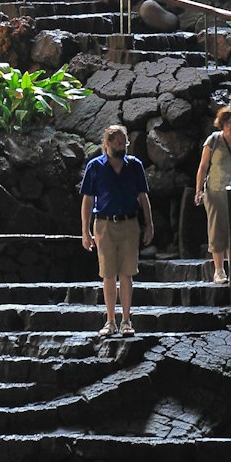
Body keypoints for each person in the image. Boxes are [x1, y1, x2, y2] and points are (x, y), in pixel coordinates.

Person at [78, 123, 153, 337]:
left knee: (127, 272)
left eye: (125, 143)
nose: (122, 146)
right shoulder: (95, 166)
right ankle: (110, 320)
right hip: (104, 224)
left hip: (129, 223)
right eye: (118, 143)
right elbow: (88, 199)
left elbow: (143, 197)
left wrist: (149, 224)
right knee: (108, 273)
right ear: (107, 143)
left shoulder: (134, 165)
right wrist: (85, 230)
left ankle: (126, 320)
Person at [193, 106, 231, 283]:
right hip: (215, 191)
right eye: (227, 123)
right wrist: (198, 190)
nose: (230, 126)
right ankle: (219, 271)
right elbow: (203, 167)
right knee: (216, 230)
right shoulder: (213, 140)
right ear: (221, 124)